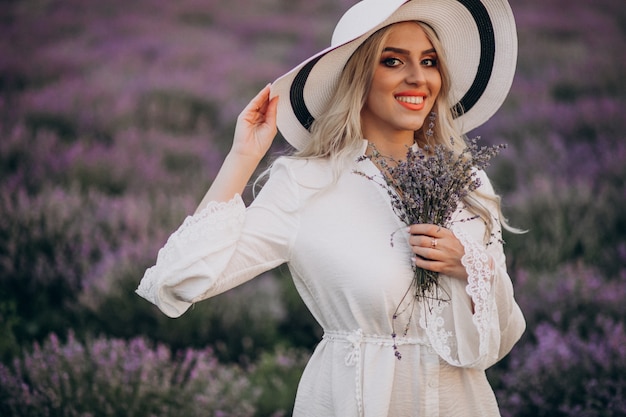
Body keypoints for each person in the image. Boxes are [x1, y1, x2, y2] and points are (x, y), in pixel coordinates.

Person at [136, 0, 526, 415]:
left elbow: (501, 338)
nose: (418, 78)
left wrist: (468, 266)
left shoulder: (468, 184)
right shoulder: (306, 184)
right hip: (354, 401)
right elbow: (177, 282)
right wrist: (242, 157)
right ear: (357, 76)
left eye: (429, 61)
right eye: (392, 61)